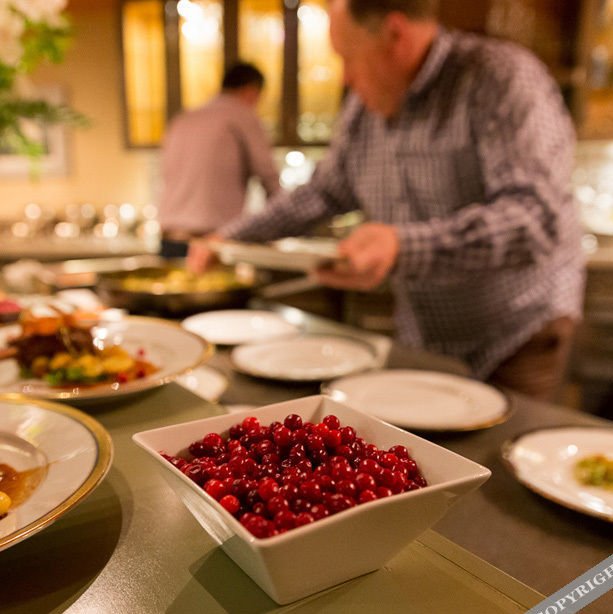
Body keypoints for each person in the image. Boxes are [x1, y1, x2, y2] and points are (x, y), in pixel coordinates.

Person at [189, 0, 585, 401]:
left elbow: (535, 219)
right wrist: (230, 238)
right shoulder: (363, 108)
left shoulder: (500, 78)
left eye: (348, 57)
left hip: (516, 335)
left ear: (395, 34)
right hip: (424, 337)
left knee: (502, 441)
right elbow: (322, 193)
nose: (345, 77)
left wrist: (400, 245)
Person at [157, 62, 280, 257]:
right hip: (211, 243)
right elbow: (269, 176)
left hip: (169, 238)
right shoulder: (242, 115)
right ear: (251, 91)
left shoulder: (182, 120)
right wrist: (283, 223)